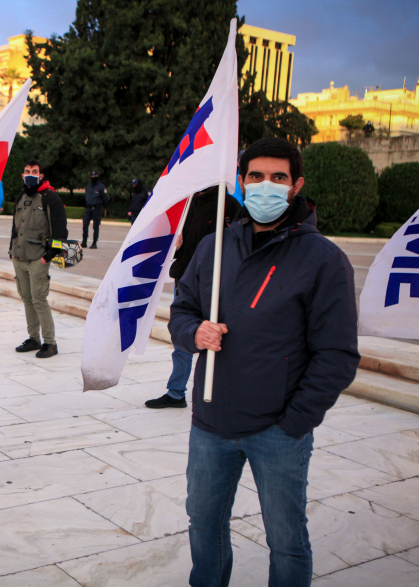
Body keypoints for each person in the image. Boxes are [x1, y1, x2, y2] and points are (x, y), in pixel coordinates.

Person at [168, 137, 360, 586]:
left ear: (296, 185)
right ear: (241, 181)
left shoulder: (324, 259)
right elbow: (182, 309)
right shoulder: (215, 246)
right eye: (256, 176)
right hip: (211, 423)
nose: (266, 186)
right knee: (205, 526)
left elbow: (337, 355)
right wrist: (193, 332)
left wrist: (294, 421)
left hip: (278, 430)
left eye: (278, 177)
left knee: (287, 538)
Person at [145, 185, 241, 409]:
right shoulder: (190, 204)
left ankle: (220, 393)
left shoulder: (229, 206)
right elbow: (186, 243)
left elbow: (238, 245)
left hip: (215, 284)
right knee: (182, 339)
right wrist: (176, 246)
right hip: (186, 280)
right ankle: (176, 392)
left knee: (219, 341)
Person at [10, 160, 67, 359]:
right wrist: (11, 250)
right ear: (22, 175)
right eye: (27, 171)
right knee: (27, 299)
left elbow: (61, 232)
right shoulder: (21, 196)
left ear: (41, 175)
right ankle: (33, 338)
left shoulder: (50, 197)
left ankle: (50, 343)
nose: (31, 174)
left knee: (39, 299)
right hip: (19, 257)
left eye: (34, 171)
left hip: (38, 259)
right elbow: (15, 227)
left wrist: (48, 257)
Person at [82, 170, 108, 249]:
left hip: (97, 208)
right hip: (89, 208)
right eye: (92, 176)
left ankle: (94, 242)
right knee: (85, 224)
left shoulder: (101, 187)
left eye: (95, 176)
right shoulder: (88, 186)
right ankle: (84, 241)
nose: (93, 178)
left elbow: (105, 198)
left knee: (95, 226)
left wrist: (104, 208)